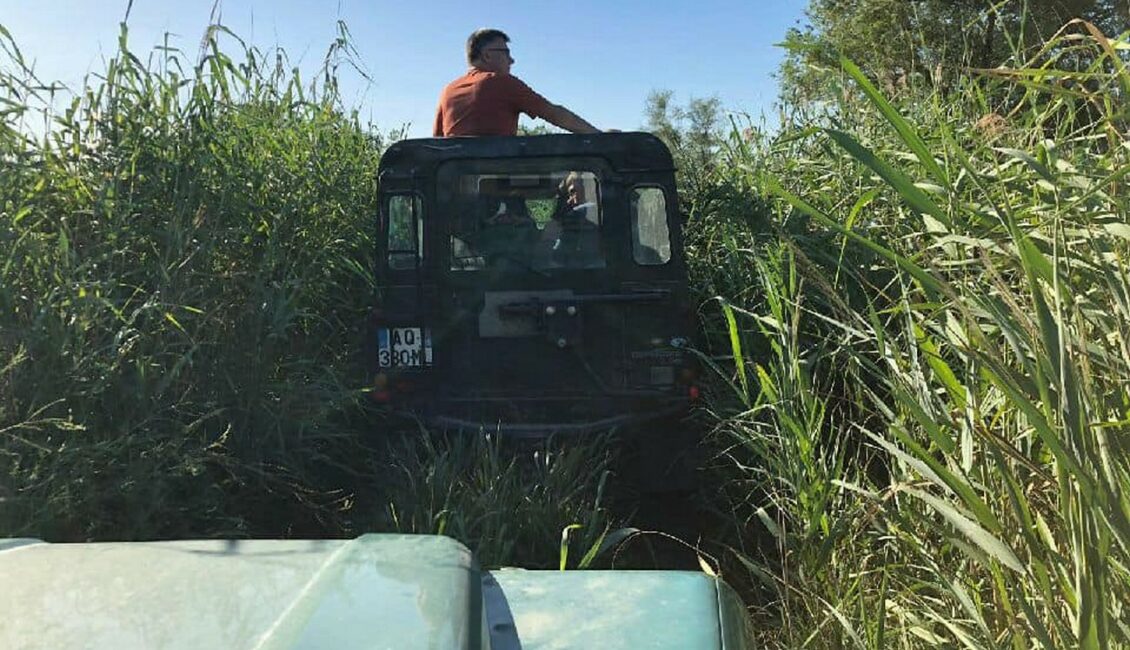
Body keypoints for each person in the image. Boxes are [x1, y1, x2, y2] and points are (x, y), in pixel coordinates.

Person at [433, 29, 602, 137]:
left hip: (454, 190)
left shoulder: (447, 91)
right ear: (487, 55)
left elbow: (437, 143)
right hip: (499, 183)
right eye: (506, 53)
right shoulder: (502, 83)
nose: (512, 60)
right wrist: (599, 136)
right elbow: (554, 114)